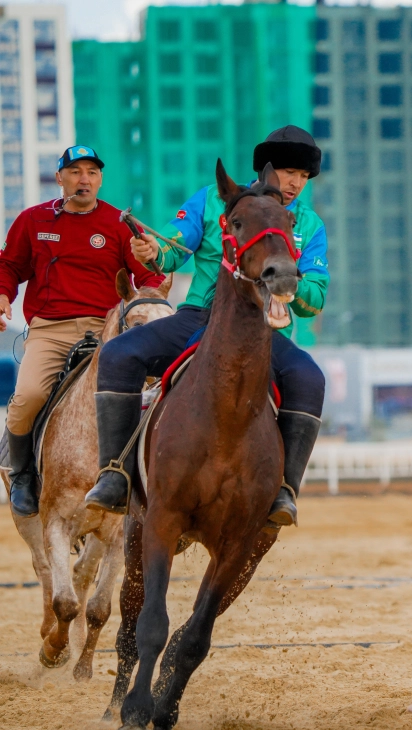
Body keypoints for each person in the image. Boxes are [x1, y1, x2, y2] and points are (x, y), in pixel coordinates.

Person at [84, 126, 329, 526]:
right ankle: (115, 473)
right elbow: (172, 246)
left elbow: (314, 300)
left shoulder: (311, 225)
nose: (294, 183)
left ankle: (284, 491)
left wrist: (292, 288)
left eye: (303, 176)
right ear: (266, 172)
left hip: (266, 334)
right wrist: (153, 252)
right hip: (199, 317)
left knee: (310, 379)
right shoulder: (214, 200)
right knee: (117, 353)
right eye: (287, 172)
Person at [0, 145, 164, 517]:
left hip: (107, 330)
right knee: (26, 397)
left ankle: (149, 479)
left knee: (149, 396)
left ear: (100, 179)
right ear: (60, 178)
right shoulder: (32, 221)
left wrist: (154, 258)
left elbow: (150, 277)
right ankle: (23, 474)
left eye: (92, 172)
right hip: (49, 330)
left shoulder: (120, 225)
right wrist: (3, 295)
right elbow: (8, 266)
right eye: (75, 171)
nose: (84, 179)